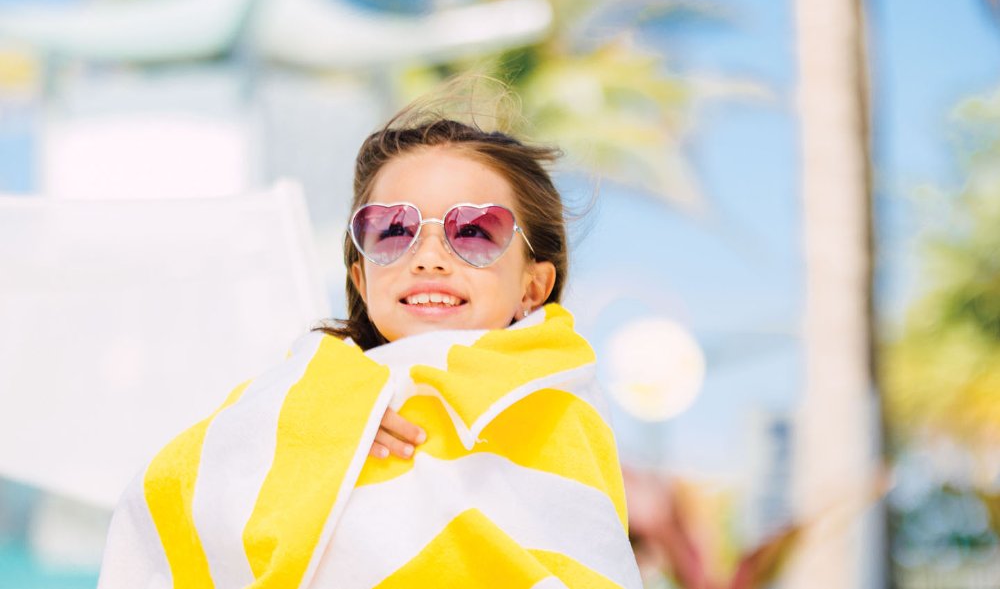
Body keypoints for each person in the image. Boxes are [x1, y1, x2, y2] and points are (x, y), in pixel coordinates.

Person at [97, 95, 642, 589]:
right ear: (361, 278)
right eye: (394, 230)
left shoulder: (555, 401)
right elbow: (168, 491)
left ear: (533, 286)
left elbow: (584, 556)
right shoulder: (302, 395)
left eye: (474, 231)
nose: (429, 255)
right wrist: (318, 422)